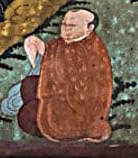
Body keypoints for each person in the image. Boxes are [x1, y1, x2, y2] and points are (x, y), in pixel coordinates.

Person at [17, 9, 113, 141]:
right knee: (29, 85)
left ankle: (73, 131)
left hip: (74, 109)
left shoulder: (90, 50)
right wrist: (36, 46)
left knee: (29, 114)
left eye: (72, 25)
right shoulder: (58, 44)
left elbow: (85, 88)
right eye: (64, 24)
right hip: (55, 99)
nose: (66, 28)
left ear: (89, 28)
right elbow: (50, 58)